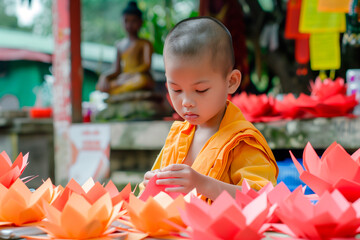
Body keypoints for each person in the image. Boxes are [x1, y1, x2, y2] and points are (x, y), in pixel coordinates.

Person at [142, 16, 278, 201]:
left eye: (200, 90)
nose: (186, 102)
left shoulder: (242, 141)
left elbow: (263, 199)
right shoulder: (178, 136)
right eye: (176, 89)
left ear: (231, 82)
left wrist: (203, 184)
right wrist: (153, 183)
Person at [97, 1, 154, 95]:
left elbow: (146, 65)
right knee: (100, 85)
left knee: (141, 80)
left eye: (133, 21)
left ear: (140, 22)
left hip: (137, 77)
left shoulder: (145, 43)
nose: (129, 24)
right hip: (123, 79)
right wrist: (104, 77)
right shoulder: (119, 45)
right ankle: (120, 90)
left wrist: (129, 75)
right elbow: (116, 70)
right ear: (121, 21)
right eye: (126, 20)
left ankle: (116, 92)